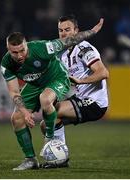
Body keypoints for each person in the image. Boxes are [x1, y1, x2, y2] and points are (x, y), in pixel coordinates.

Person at [1, 18, 104, 171]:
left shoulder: (43, 48)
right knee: (16, 118)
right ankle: (30, 160)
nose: (19, 55)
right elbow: (14, 92)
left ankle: (49, 139)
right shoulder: (7, 63)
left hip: (56, 77)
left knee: (46, 99)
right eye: (14, 52)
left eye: (22, 50)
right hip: (35, 83)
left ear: (26, 44)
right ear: (8, 50)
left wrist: (93, 31)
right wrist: (24, 112)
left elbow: (71, 40)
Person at [39, 15, 109, 168]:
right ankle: (60, 159)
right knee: (46, 124)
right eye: (61, 30)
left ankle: (60, 160)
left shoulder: (83, 48)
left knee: (54, 111)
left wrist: (81, 81)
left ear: (76, 31)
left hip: (95, 102)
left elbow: (103, 73)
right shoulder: (62, 53)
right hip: (80, 98)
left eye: (67, 30)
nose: (64, 34)